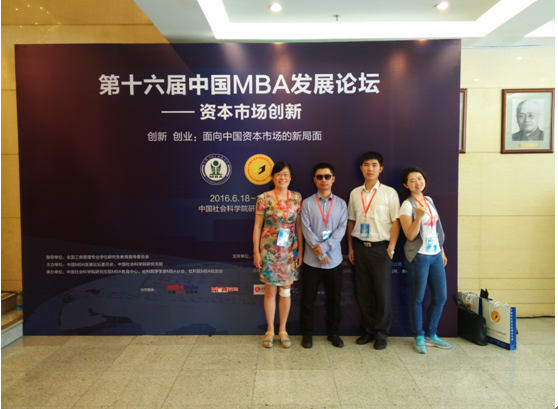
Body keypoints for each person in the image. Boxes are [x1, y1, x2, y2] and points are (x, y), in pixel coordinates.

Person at [347, 151, 400, 350]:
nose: (370, 169)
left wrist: (391, 247)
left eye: (374, 165)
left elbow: (396, 221)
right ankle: (368, 330)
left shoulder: (389, 193)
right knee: (363, 292)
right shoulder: (355, 193)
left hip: (381, 249)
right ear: (361, 168)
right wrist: (350, 247)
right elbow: (351, 221)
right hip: (360, 248)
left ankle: (381, 333)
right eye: (366, 165)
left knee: (383, 293)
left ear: (381, 169)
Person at [399, 166, 452, 354]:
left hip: (435, 254)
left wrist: (442, 251)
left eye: (419, 178)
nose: (417, 183)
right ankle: (419, 337)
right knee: (418, 298)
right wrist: (419, 217)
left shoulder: (429, 200)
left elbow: (436, 229)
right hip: (418, 256)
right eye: (412, 180)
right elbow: (410, 235)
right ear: (406, 185)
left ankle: (431, 335)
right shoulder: (406, 205)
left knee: (440, 297)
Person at [253, 162, 303, 349]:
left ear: (291, 177)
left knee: (286, 291)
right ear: (273, 177)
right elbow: (257, 226)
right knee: (270, 291)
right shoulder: (264, 198)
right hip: (268, 251)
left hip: (288, 251)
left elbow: (299, 226)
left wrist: (300, 250)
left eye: (286, 174)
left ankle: (283, 330)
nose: (283, 177)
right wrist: (256, 252)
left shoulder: (297, 197)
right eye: (279, 174)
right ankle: (270, 330)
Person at [299, 163, 348, 349]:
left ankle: (334, 333)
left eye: (327, 176)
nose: (323, 180)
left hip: (333, 261)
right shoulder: (307, 203)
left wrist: (325, 249)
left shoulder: (341, 204)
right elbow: (306, 230)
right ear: (314, 180)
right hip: (311, 262)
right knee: (308, 299)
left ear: (333, 179)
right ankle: (307, 334)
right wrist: (320, 254)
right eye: (319, 177)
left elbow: (341, 230)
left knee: (334, 300)